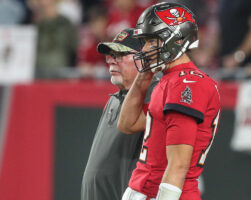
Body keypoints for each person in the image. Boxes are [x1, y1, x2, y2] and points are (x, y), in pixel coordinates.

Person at [118, 2, 220, 200]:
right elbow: (127, 123)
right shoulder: (171, 79)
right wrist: (144, 76)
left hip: (164, 193)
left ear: (177, 39)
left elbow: (179, 164)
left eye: (151, 41)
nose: (145, 49)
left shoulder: (187, 83)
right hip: (144, 189)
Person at [81, 28, 158, 200]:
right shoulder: (115, 98)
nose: (110, 61)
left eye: (120, 55)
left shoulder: (155, 95)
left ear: (144, 58)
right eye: (110, 55)